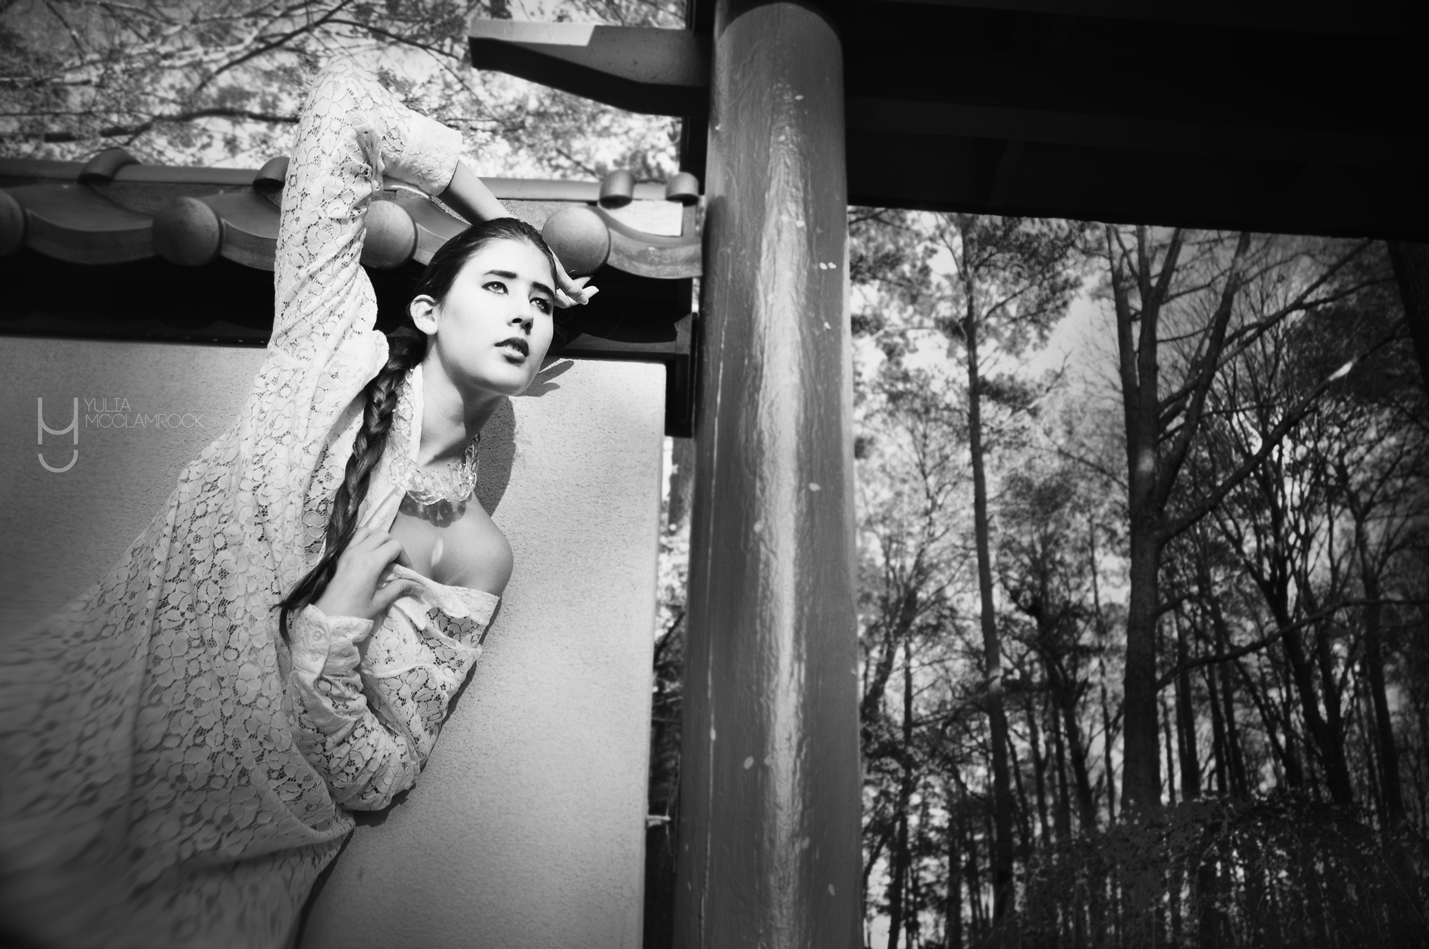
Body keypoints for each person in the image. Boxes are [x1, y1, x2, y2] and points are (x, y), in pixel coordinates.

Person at [0, 59, 594, 948]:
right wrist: (514, 228)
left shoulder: (476, 554)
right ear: (427, 312)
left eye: (540, 302)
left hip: (215, 894)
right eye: (497, 286)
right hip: (50, 770)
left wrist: (332, 636)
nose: (523, 313)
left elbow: (379, 774)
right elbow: (344, 101)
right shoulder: (326, 361)